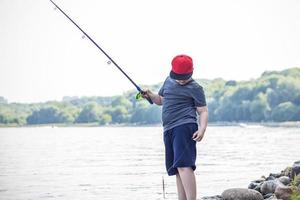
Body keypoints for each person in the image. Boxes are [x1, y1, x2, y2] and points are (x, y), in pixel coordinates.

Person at [142, 54, 208, 200]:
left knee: (185, 165)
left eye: (185, 77)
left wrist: (202, 129)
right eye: (179, 76)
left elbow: (202, 110)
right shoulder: (169, 81)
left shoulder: (196, 88)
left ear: (192, 72)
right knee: (177, 168)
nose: (181, 80)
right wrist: (150, 95)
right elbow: (161, 100)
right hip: (169, 128)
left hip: (185, 126)